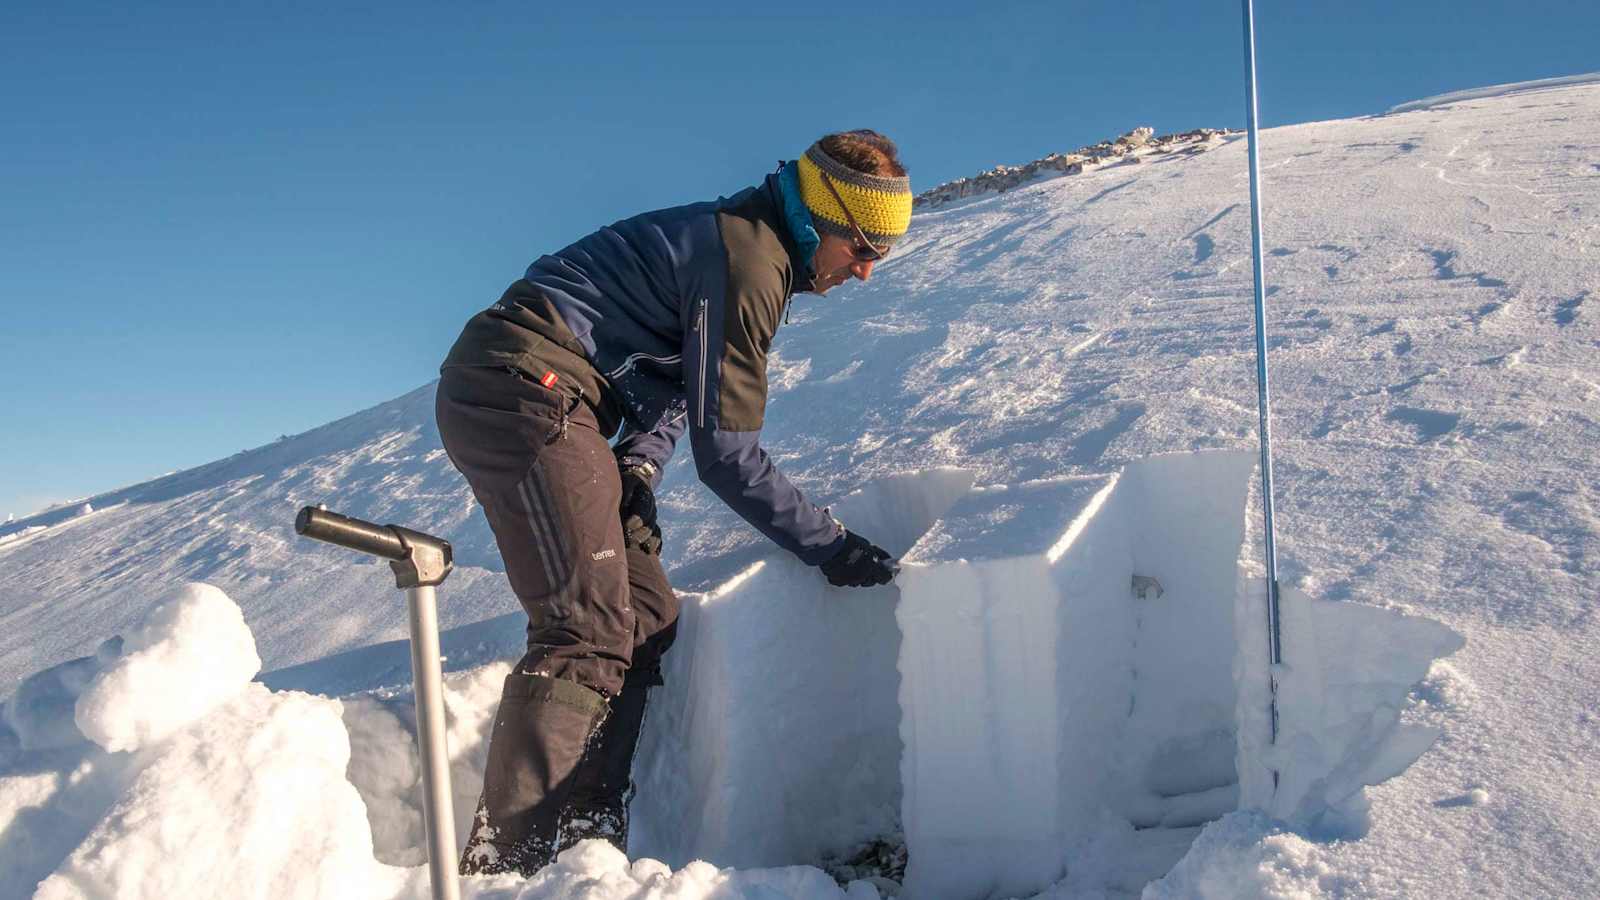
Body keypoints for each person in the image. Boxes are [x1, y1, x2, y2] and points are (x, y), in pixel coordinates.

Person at [434, 130, 912, 877]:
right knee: (584, 630)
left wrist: (638, 475)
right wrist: (832, 546)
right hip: (523, 386)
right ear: (824, 217)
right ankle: (503, 868)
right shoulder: (748, 259)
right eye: (863, 246)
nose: (867, 270)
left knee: (647, 615)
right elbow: (729, 458)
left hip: (561, 396)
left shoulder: (753, 247)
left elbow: (663, 389)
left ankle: (586, 842)